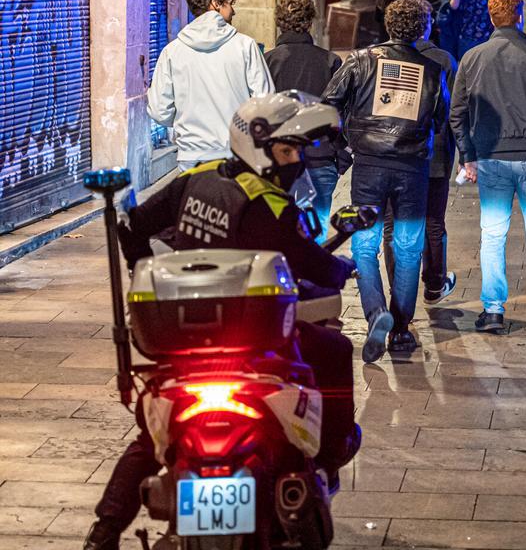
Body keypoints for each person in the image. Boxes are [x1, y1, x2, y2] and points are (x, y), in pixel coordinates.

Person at [83, 92, 358, 550]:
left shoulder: (197, 176)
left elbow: (135, 226)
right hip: (252, 346)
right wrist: (341, 269)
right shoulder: (269, 207)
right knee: (334, 351)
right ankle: (330, 454)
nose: (295, 162)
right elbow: (310, 264)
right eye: (288, 151)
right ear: (260, 147)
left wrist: (142, 267)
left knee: (152, 438)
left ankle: (104, 531)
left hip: (185, 346)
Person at [323, 0, 450, 359]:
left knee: (365, 244)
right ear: (424, 28)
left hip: (369, 164)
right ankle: (402, 330)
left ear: (388, 25)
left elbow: (328, 102)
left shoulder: (361, 60)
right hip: (413, 169)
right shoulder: (432, 69)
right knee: (408, 248)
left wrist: (343, 143)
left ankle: (376, 311)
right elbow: (439, 120)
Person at [450, 0, 526, 333]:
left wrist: (467, 156)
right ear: (520, 17)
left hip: (489, 158)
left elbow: (457, 113)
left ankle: (493, 309)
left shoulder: (471, 58)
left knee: (493, 234)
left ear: (490, 19)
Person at [147, 0, 274, 170]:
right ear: (215, 3)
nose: (233, 11)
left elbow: (158, 109)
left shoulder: (172, 52)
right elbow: (265, 102)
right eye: (230, 4)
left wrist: (186, 122)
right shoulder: (245, 46)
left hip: (191, 156)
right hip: (236, 154)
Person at [380, 15, 459, 308]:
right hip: (434, 152)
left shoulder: (381, 58)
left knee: (392, 223)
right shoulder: (443, 60)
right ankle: (434, 285)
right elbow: (453, 110)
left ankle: (398, 291)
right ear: (426, 26)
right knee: (433, 221)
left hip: (393, 151)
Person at [264, 0, 344, 242]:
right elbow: (340, 111)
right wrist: (341, 155)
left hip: (279, 159)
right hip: (321, 156)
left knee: (279, 229)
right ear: (310, 22)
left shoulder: (267, 61)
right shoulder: (330, 61)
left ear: (279, 23)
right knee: (316, 232)